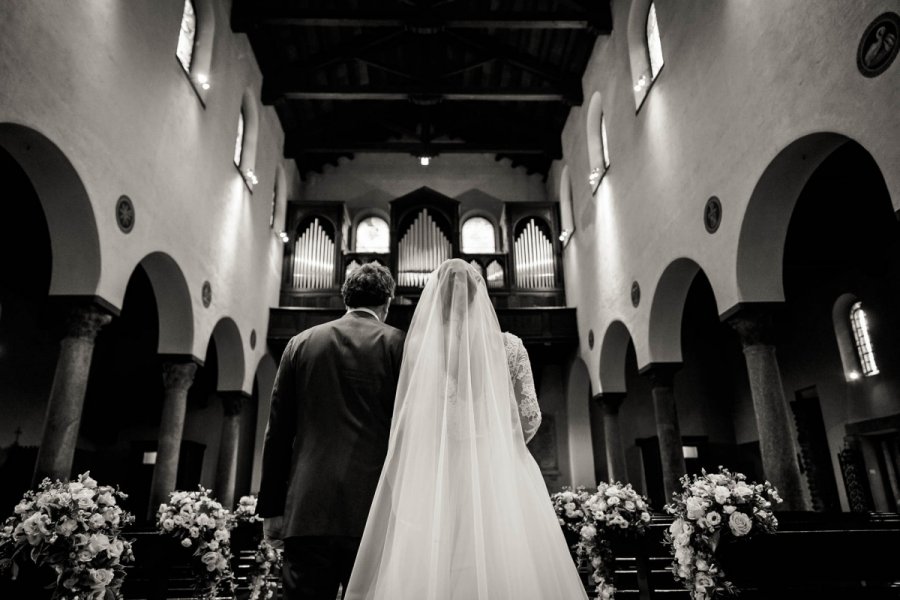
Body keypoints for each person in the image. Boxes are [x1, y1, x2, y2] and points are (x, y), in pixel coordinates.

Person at [345, 259, 588, 600]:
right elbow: (530, 418)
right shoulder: (509, 346)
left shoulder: (418, 350)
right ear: (479, 296)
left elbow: (409, 417)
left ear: (436, 298)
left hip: (438, 475)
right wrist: (501, 441)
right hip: (497, 471)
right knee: (508, 560)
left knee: (436, 560)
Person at [258, 263, 405, 600]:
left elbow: (278, 433)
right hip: (375, 511)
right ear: (387, 302)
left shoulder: (301, 343)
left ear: (346, 298)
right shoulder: (400, 346)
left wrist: (272, 508)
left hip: (307, 510)